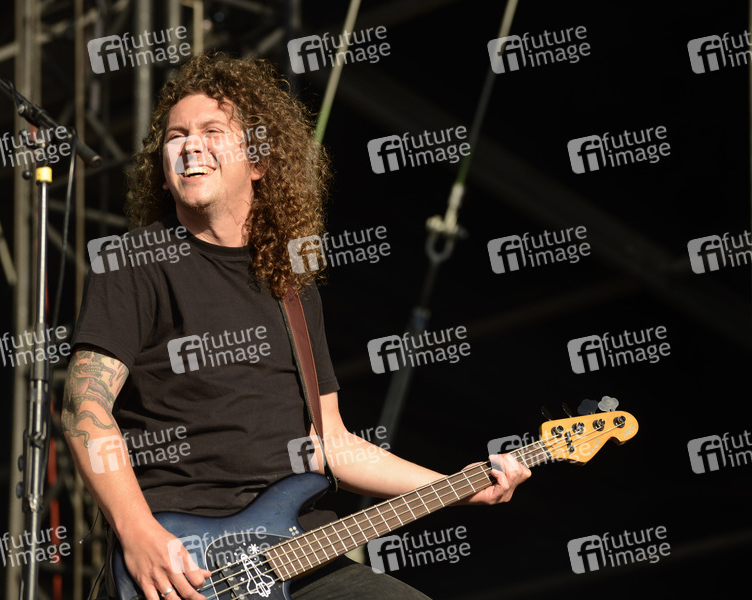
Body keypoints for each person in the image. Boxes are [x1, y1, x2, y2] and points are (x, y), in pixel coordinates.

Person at [62, 52, 531, 600]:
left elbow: (331, 443)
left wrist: (456, 487)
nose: (190, 146)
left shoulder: (290, 286)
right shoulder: (135, 261)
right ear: (161, 172)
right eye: (176, 136)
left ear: (258, 162)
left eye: (212, 131)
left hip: (296, 554)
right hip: (186, 562)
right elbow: (83, 408)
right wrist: (137, 531)